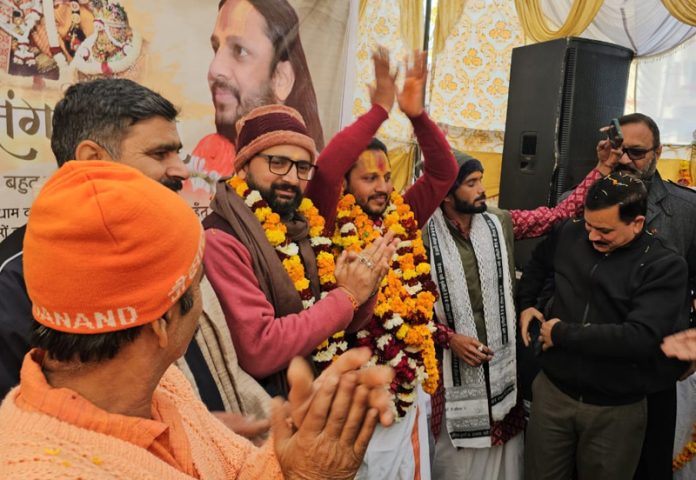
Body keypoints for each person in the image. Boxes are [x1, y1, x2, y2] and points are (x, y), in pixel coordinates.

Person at [0, 160, 396, 478]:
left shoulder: (161, 383)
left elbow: (240, 469)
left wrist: (290, 463)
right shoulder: (42, 467)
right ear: (161, 323)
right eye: (198, 286)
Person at [304, 47, 457, 480]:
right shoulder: (327, 218)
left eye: (387, 176)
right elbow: (327, 169)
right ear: (349, 185)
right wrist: (378, 110)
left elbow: (443, 173)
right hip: (346, 388)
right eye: (370, 177)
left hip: (401, 385)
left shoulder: (401, 216)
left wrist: (418, 116)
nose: (384, 187)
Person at [425, 146, 615, 480]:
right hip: (446, 374)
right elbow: (409, 312)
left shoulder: (498, 222)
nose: (482, 188)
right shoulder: (420, 236)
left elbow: (556, 216)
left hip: (500, 369)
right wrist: (449, 338)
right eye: (471, 182)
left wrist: (599, 168)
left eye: (481, 179)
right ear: (446, 194)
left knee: (505, 461)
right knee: (453, 465)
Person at [0, 78, 189, 400]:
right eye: (160, 154)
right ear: (92, 159)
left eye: (177, 153)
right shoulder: (11, 284)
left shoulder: (164, 248)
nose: (181, 170)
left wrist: (198, 421)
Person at [203, 103, 399, 397]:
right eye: (278, 163)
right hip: (262, 415)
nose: (292, 179)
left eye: (302, 167)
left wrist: (365, 286)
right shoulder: (221, 237)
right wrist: (346, 297)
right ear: (243, 165)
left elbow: (342, 324)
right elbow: (259, 350)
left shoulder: (300, 224)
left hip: (313, 402)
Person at [517, 171, 689, 480]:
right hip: (553, 395)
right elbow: (539, 263)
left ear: (637, 223)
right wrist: (527, 303)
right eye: (588, 225)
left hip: (616, 409)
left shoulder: (664, 265)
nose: (592, 236)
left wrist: (561, 333)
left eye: (605, 230)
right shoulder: (570, 233)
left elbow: (640, 338)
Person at [597, 112, 696, 480]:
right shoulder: (582, 203)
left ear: (658, 152)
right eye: (619, 149)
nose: (625, 159)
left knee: (648, 466)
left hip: (655, 369)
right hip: (593, 364)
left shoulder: (686, 210)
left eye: (636, 152)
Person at [204, 0, 323, 154]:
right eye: (216, 48)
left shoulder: (302, 174)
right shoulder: (205, 157)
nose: (214, 69)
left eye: (240, 51)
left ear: (281, 79)